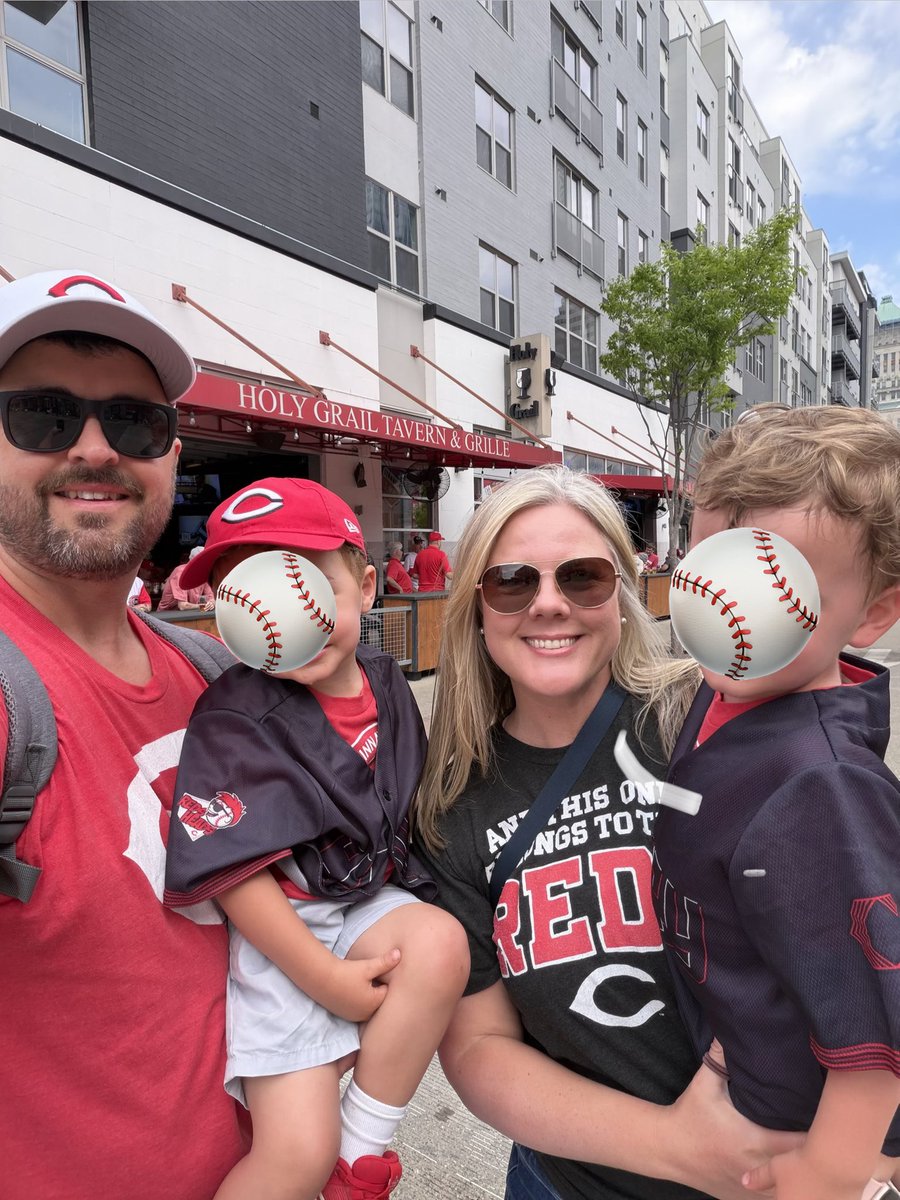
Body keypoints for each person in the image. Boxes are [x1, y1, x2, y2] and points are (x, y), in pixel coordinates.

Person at [413, 464, 802, 1200]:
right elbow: (479, 1047)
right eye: (513, 582)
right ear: (477, 607)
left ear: (621, 597)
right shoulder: (450, 803)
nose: (549, 605)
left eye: (583, 578)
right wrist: (678, 1147)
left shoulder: (709, 719)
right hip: (569, 1183)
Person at [0, 268, 246, 1197]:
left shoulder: (216, 677)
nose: (95, 450)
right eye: (44, 416)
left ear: (172, 455)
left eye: (135, 422)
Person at [164, 477, 469, 1200]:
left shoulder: (384, 678)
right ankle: (325, 1161)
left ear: (365, 588)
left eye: (305, 588)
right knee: (295, 1153)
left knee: (441, 942)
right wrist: (321, 977)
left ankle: (360, 1161)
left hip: (361, 896)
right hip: (285, 931)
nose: (286, 617)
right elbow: (235, 870)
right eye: (254, 597)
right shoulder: (236, 709)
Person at [654, 406, 900, 1200]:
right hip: (745, 1071)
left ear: (873, 612)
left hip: (798, 1130)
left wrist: (827, 1177)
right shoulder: (724, 697)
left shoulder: (820, 787)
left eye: (779, 593)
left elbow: (879, 1028)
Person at [158, 544, 216, 610]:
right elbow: (182, 606)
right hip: (167, 616)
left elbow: (211, 598)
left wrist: (211, 603)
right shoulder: (180, 573)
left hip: (190, 614)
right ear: (192, 562)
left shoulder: (204, 573)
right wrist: (202, 606)